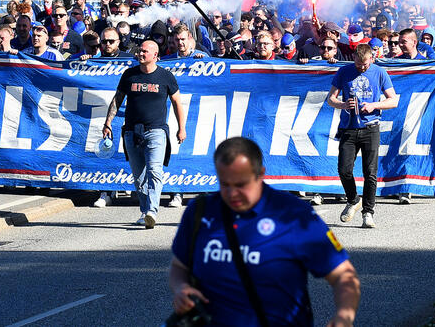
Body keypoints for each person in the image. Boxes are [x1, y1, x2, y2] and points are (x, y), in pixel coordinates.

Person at [169, 137, 360, 326]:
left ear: (260, 174)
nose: (232, 194)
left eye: (240, 185)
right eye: (225, 184)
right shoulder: (200, 211)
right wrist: (181, 288)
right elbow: (179, 267)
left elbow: (344, 275)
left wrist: (344, 315)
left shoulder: (294, 214)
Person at [103, 40, 186, 229]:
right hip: (132, 132)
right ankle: (144, 211)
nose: (140, 54)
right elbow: (117, 99)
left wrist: (182, 128)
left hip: (156, 131)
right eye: (140, 51)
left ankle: (152, 211)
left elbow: (177, 103)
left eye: (145, 51)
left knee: (154, 170)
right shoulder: (129, 75)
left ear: (155, 55)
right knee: (139, 177)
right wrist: (108, 122)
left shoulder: (166, 77)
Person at [325, 43, 399, 228]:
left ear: (371, 59)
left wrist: (375, 105)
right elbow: (331, 98)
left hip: (371, 127)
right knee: (344, 169)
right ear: (354, 59)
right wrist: (342, 105)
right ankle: (353, 199)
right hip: (349, 127)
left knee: (370, 173)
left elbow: (393, 100)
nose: (361, 68)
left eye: (365, 65)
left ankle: (368, 212)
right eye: (358, 64)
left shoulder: (379, 72)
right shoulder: (344, 71)